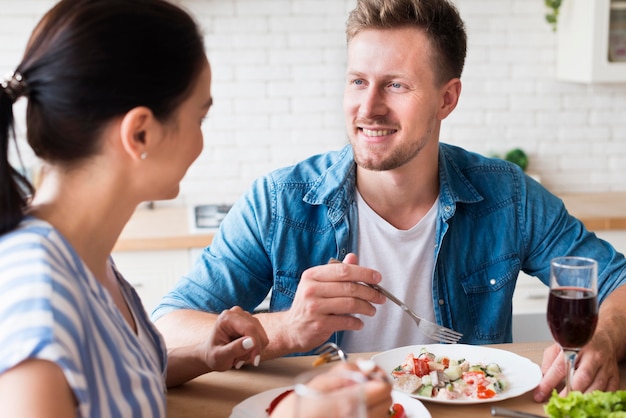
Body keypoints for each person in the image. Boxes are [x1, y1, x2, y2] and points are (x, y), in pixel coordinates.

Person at [152, 0, 626, 404]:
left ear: (447, 99)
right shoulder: (279, 202)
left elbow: (615, 281)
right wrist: (284, 330)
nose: (369, 107)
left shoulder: (508, 197)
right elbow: (164, 331)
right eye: (358, 81)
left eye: (395, 85)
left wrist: (601, 339)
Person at [0, 0, 269, 416]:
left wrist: (201, 354)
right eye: (199, 119)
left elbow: (111, 383)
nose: (200, 142)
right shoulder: (37, 299)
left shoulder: (83, 255)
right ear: (141, 133)